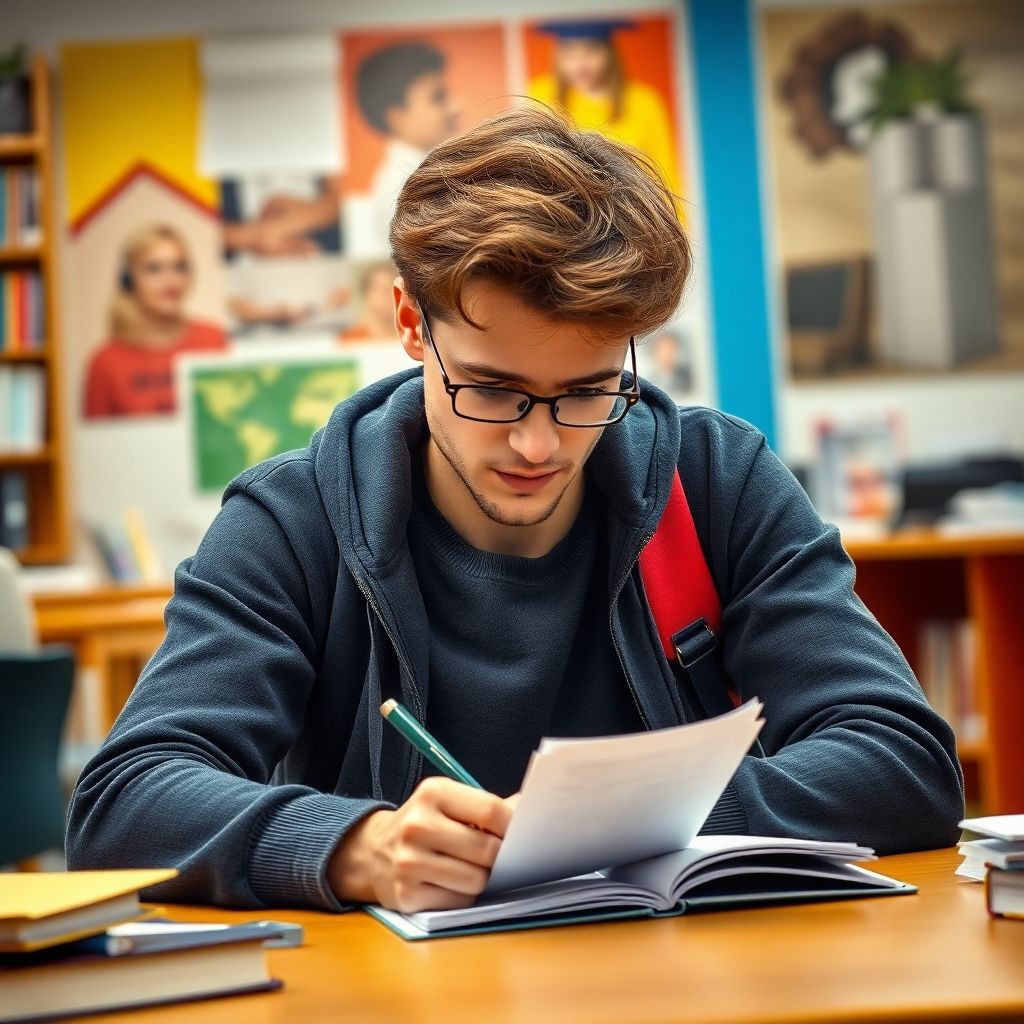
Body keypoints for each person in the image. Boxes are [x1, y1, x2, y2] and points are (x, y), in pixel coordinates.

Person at [67, 105, 962, 916]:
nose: (539, 446)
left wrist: (623, 818)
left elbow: (903, 761)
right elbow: (125, 803)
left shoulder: (716, 480)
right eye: (492, 391)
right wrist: (353, 848)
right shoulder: (291, 520)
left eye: (587, 391)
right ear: (412, 326)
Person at [82, 224, 227, 419]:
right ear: (128, 280)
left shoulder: (213, 339)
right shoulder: (104, 362)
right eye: (154, 268)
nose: (171, 280)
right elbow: (97, 443)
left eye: (179, 267)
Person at [528, 19, 682, 197]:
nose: (580, 65)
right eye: (569, 52)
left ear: (609, 52)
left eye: (591, 50)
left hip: (630, 211)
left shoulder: (644, 103)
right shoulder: (540, 96)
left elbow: (666, 179)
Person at [345, 41, 459, 257]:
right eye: (438, 98)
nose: (455, 107)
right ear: (397, 116)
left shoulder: (423, 172)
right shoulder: (402, 185)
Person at [339, 260, 397, 342]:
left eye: (393, 289)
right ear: (366, 294)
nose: (390, 296)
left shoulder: (410, 338)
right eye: (383, 289)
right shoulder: (350, 339)